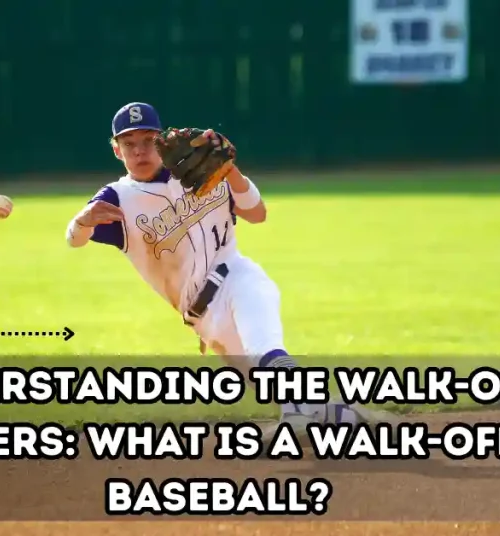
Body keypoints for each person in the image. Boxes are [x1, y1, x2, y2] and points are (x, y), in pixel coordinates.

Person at [65, 102, 388, 440]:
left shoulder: (199, 169)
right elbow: (74, 239)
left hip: (236, 277)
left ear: (161, 141)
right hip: (204, 321)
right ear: (116, 150)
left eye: (147, 140)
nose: (139, 150)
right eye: (129, 143)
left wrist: (231, 171)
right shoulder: (117, 198)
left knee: (266, 350)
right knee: (281, 387)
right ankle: (354, 418)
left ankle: (294, 422)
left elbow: (257, 213)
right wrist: (82, 221)